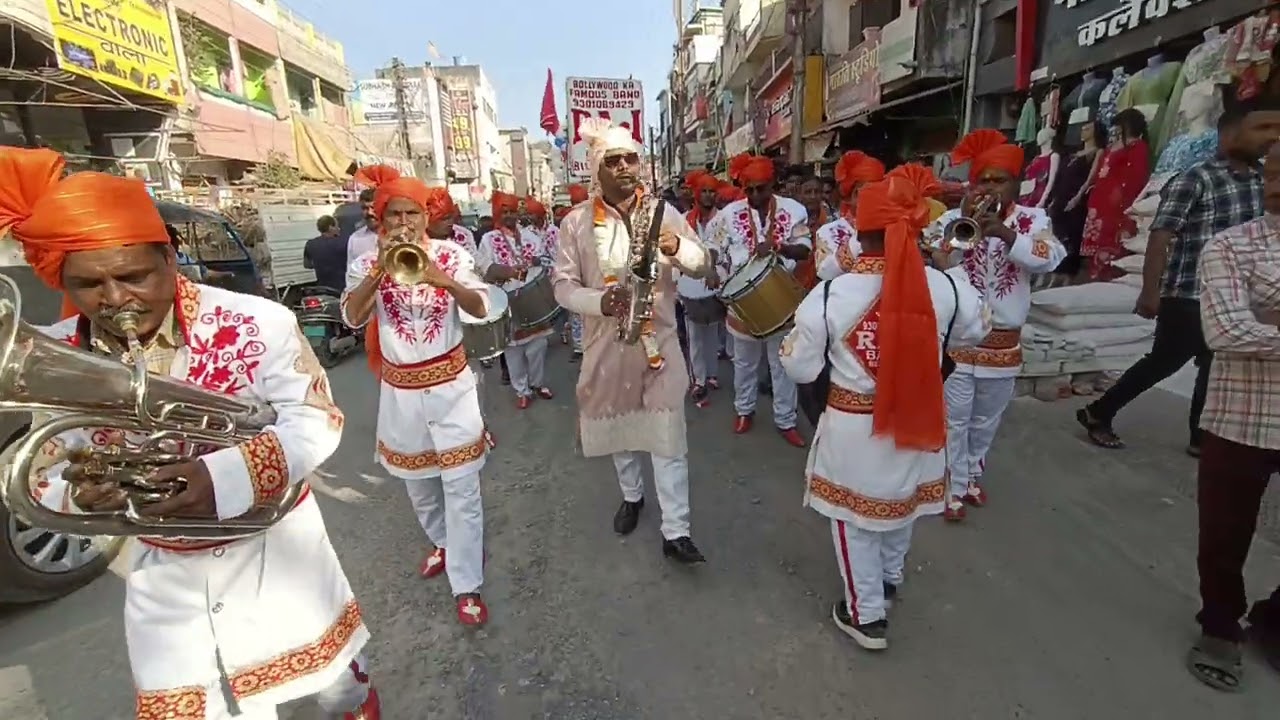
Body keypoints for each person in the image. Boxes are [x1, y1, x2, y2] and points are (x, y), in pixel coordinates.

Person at [0, 147, 381, 719]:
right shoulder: (54, 350)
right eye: (88, 284)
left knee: (335, 687)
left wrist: (220, 473)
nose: (114, 301)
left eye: (133, 276)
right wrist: (76, 492)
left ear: (169, 259)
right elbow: (48, 462)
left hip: (274, 548)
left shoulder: (259, 321)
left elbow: (317, 419)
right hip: (162, 573)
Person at [781, 167, 988, 650]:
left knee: (855, 521)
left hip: (854, 427)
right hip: (917, 420)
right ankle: (889, 579)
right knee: (901, 503)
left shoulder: (830, 293)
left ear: (861, 231)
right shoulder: (944, 288)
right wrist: (950, 268)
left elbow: (799, 368)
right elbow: (975, 331)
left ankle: (866, 614)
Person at [552, 117, 710, 563]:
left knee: (667, 435)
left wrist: (678, 248)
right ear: (596, 169)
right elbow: (562, 286)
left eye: (631, 158)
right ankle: (632, 495)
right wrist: (601, 301)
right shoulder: (576, 223)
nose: (624, 167)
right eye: (613, 160)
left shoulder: (667, 213)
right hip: (606, 344)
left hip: (660, 342)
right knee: (620, 430)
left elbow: (703, 266)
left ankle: (676, 531)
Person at [340, 172, 494, 627]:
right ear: (381, 219)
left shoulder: (452, 253)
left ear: (425, 216)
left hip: (452, 390)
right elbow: (351, 317)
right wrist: (377, 272)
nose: (404, 223)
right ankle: (444, 543)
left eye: (412, 213)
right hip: (401, 394)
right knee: (420, 487)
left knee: (462, 488)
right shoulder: (365, 261)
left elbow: (481, 307)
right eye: (395, 215)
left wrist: (441, 277)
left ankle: (467, 585)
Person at [1078, 108, 1278, 455]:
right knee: (1165, 361)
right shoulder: (1196, 177)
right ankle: (1099, 411)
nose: (1271, 138)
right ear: (1229, 135)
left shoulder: (1263, 180)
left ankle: (1201, 437)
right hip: (1189, 290)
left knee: (1214, 363)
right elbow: (1160, 234)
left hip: (1235, 294)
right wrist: (1150, 290)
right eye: (1260, 129)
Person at [923, 129, 1066, 521]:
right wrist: (963, 226)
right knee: (954, 418)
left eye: (998, 180)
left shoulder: (1034, 220)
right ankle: (949, 486)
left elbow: (1049, 257)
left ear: (1015, 185)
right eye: (983, 179)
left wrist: (1004, 232)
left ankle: (971, 475)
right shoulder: (953, 219)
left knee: (986, 419)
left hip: (1003, 343)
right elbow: (936, 259)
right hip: (960, 339)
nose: (989, 187)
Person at [1185, 142, 1280, 692]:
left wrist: (1266, 320)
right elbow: (1225, 332)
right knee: (1224, 534)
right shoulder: (1231, 246)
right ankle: (1220, 625)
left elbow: (1249, 328)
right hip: (1241, 416)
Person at [704, 153, 811, 447]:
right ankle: (744, 410)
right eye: (748, 189)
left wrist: (779, 246)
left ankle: (785, 420)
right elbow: (713, 246)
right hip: (743, 305)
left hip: (782, 303)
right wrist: (710, 268)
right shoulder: (729, 214)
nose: (753, 195)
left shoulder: (795, 210)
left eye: (760, 189)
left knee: (782, 366)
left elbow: (805, 250)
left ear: (772, 184)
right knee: (744, 365)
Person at [478, 191, 555, 408]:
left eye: (513, 211)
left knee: (538, 345)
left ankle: (538, 383)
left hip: (533, 298)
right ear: (497, 214)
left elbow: (547, 259)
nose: (510, 216)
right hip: (506, 300)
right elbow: (483, 268)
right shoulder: (489, 240)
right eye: (505, 212)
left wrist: (534, 260)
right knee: (513, 350)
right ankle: (521, 390)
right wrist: (507, 271)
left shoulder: (530, 236)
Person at [1079, 109, 1152, 280]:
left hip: (1118, 205)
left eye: (1119, 127)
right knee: (1097, 245)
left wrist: (1125, 199)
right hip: (1100, 203)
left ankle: (1107, 277)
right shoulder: (1113, 147)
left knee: (1111, 244)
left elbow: (1136, 177)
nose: (1116, 131)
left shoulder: (1137, 147)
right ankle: (1095, 277)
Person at [678, 169, 726, 407]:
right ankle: (699, 379)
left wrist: (715, 269)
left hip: (717, 281)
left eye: (712, 191)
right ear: (696, 194)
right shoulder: (684, 220)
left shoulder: (725, 219)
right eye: (704, 191)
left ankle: (712, 374)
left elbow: (725, 249)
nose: (708, 196)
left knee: (712, 332)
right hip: (691, 282)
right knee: (695, 335)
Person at [815, 151, 885, 281]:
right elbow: (825, 273)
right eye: (871, 191)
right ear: (854, 195)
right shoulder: (829, 231)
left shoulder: (893, 225)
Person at [562, 183, 590, 361]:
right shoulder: (570, 221)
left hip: (592, 273)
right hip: (576, 272)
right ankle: (580, 346)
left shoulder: (595, 218)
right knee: (576, 314)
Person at [304, 214, 350, 291]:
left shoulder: (310, 244)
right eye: (336, 226)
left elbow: (307, 265)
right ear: (330, 227)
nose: (338, 229)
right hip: (342, 288)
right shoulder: (344, 242)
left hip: (322, 288)